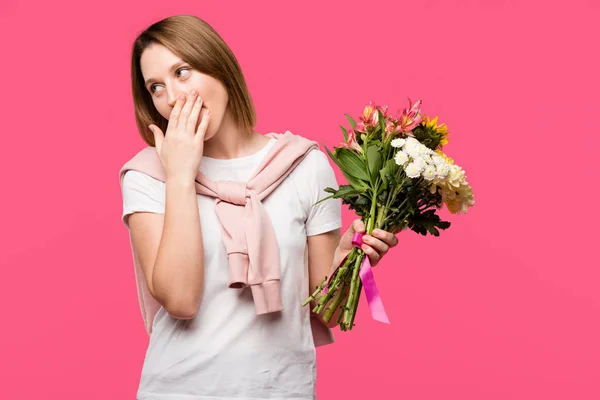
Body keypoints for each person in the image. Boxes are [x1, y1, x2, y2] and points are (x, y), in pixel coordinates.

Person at [119, 14, 399, 400]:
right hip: (178, 390)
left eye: (182, 72)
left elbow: (326, 313)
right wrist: (181, 175)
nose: (172, 97)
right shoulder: (147, 175)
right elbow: (181, 300)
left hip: (282, 390)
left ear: (217, 64)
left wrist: (349, 259)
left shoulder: (303, 164)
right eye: (156, 87)